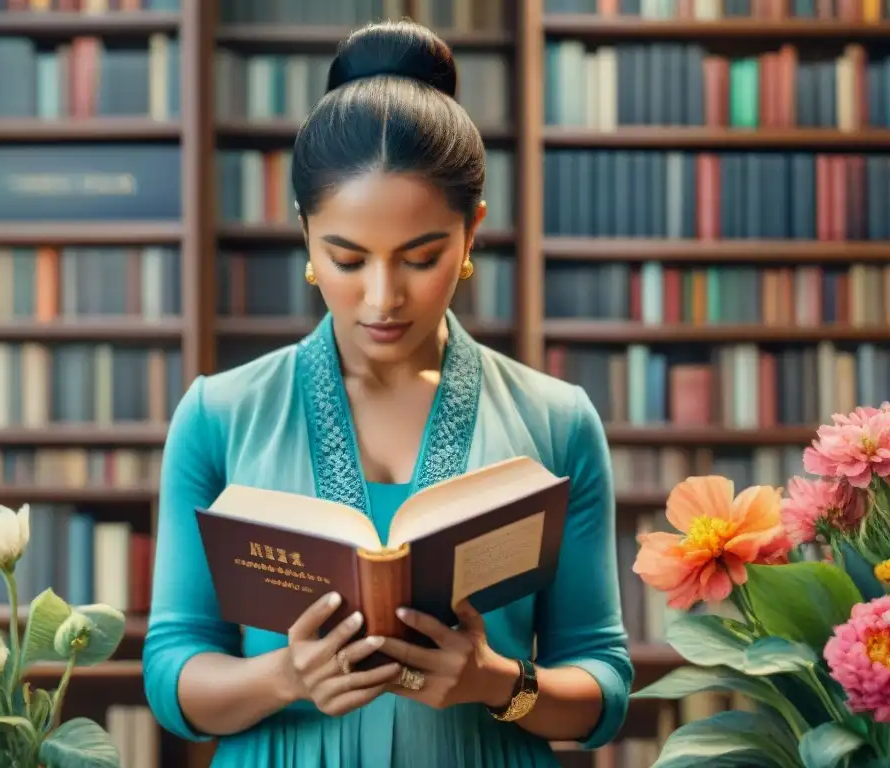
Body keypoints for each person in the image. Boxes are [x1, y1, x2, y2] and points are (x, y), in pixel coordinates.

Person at [143, 19, 632, 767]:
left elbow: (601, 684)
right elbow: (172, 674)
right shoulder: (220, 415)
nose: (382, 298)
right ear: (306, 237)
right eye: (346, 258)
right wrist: (286, 676)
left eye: (421, 256)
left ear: (471, 234)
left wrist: (496, 682)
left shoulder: (557, 420)